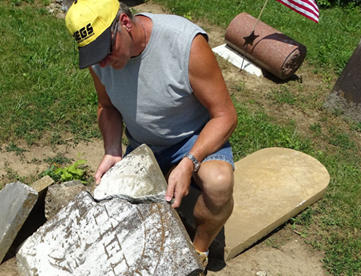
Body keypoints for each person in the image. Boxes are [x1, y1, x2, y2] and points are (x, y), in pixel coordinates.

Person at [65, 0, 237, 269]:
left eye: (106, 51)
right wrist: (112, 149)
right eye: (95, 55)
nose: (103, 62)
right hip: (143, 146)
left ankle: (197, 254)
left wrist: (190, 161)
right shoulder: (100, 59)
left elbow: (225, 115)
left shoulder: (185, 44)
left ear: (125, 23)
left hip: (192, 138)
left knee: (218, 184)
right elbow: (106, 107)